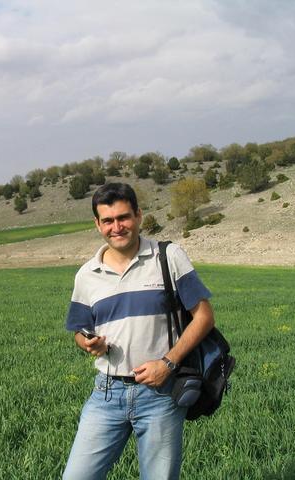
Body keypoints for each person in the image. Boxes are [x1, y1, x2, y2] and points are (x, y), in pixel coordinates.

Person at [63, 182, 215, 480]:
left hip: (160, 394)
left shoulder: (167, 257)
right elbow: (80, 331)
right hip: (106, 393)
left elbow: (204, 317)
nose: (116, 227)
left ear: (139, 216)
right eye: (107, 220)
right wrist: (88, 343)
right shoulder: (86, 275)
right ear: (97, 224)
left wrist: (168, 363)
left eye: (123, 217)